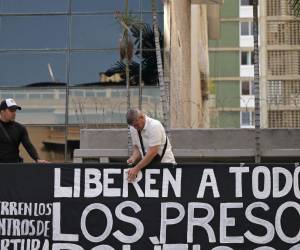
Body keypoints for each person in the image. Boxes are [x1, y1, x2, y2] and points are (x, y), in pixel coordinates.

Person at [126, 108, 175, 182]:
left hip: (165, 165)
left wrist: (136, 168)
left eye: (136, 125)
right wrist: (133, 158)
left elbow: (153, 152)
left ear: (142, 117)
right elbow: (137, 147)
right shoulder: (133, 127)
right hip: (147, 167)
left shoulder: (154, 126)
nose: (135, 128)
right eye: (133, 126)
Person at [0, 98, 49, 163]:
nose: (14, 113)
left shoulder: (20, 128)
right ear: (2, 111)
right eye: (11, 110)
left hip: (14, 166)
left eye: (15, 110)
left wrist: (37, 159)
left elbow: (28, 145)